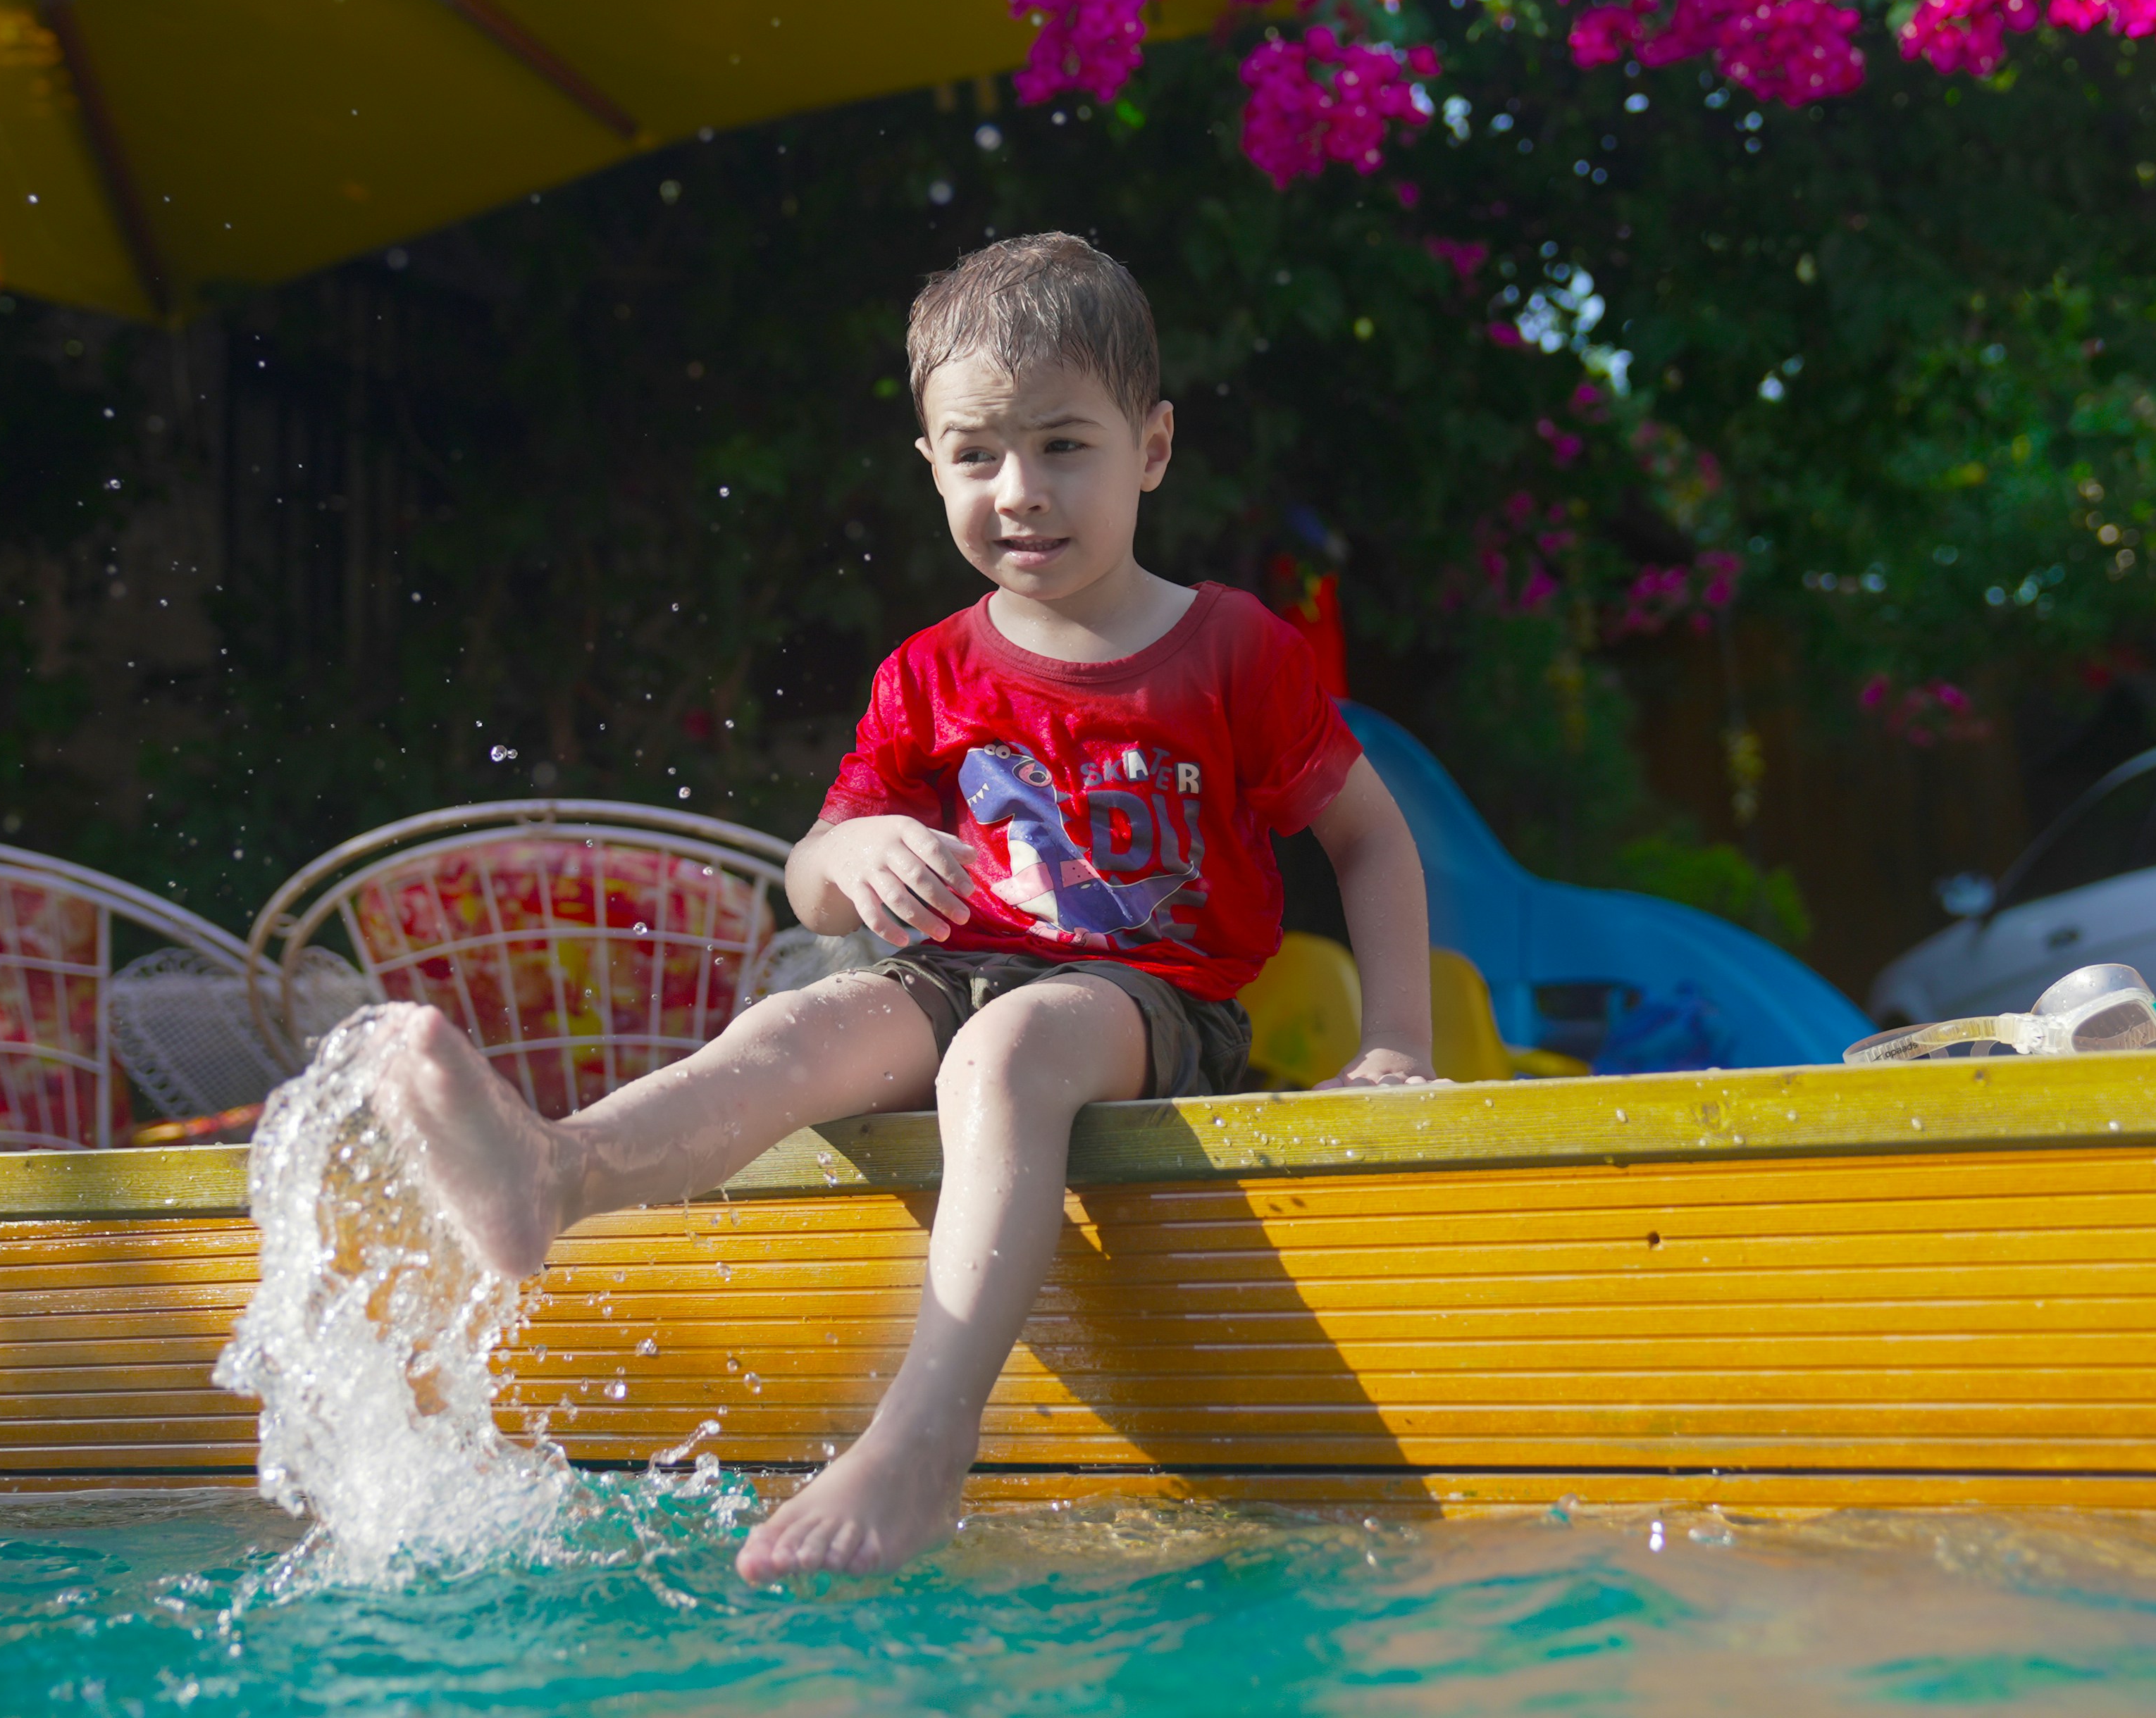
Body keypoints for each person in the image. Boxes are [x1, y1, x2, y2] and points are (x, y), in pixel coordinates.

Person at [376, 232, 1435, 1583]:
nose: (1022, 491)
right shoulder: (928, 673)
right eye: (979, 453)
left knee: (1005, 1052)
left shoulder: (1229, 648)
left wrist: (1394, 1042)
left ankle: (929, 1436)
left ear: (1152, 450)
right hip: (952, 974)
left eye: (1065, 447)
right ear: (929, 462)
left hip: (1148, 1001)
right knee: (801, 1025)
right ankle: (552, 1174)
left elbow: (1373, 841)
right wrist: (859, 845)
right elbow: (807, 872)